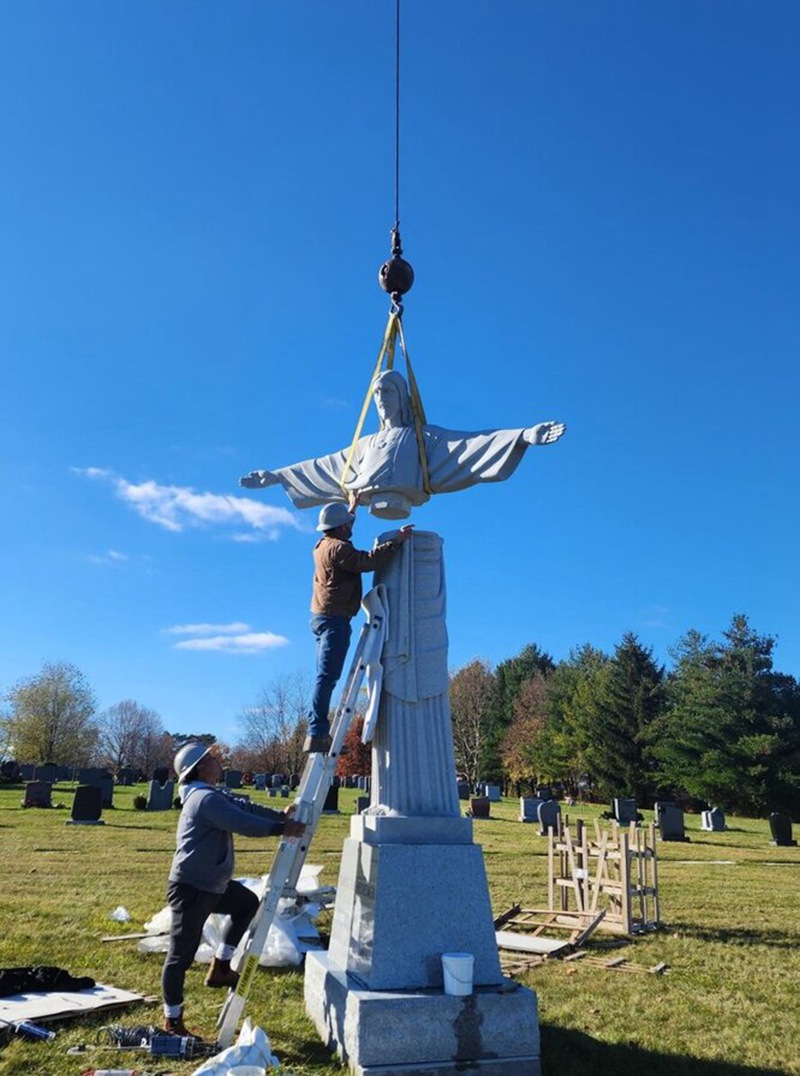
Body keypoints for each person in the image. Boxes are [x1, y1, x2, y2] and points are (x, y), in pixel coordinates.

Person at [240, 368, 566, 520]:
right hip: (374, 497)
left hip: (403, 498)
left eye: (389, 393)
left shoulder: (424, 440)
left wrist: (522, 436)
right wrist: (277, 476)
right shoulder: (366, 444)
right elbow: (325, 466)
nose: (382, 400)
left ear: (402, 398)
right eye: (377, 395)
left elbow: (470, 444)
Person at [161, 742, 306, 1036]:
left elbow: (244, 807)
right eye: (212, 758)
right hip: (191, 888)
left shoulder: (211, 794)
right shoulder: (203, 799)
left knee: (246, 904)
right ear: (200, 767)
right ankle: (172, 1020)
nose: (218, 761)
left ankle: (221, 967)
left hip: (212, 885)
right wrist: (281, 829)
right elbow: (241, 822)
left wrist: (279, 815)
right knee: (180, 957)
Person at [304, 498, 413, 752]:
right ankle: (317, 732)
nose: (351, 527)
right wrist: (396, 541)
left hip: (322, 617)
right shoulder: (339, 549)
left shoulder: (322, 544)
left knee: (325, 674)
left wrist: (351, 508)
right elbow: (366, 562)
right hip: (334, 620)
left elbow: (342, 525)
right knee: (327, 676)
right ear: (341, 528)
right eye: (348, 524)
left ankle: (317, 730)